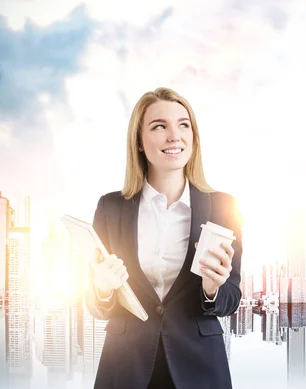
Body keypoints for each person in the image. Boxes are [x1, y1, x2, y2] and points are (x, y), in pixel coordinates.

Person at [84, 87, 243, 389]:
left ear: (193, 137)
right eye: (160, 126)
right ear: (140, 142)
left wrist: (212, 290)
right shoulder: (111, 207)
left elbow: (232, 296)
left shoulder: (224, 207)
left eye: (184, 125)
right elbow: (94, 304)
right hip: (125, 368)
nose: (175, 135)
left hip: (200, 368)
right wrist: (102, 288)